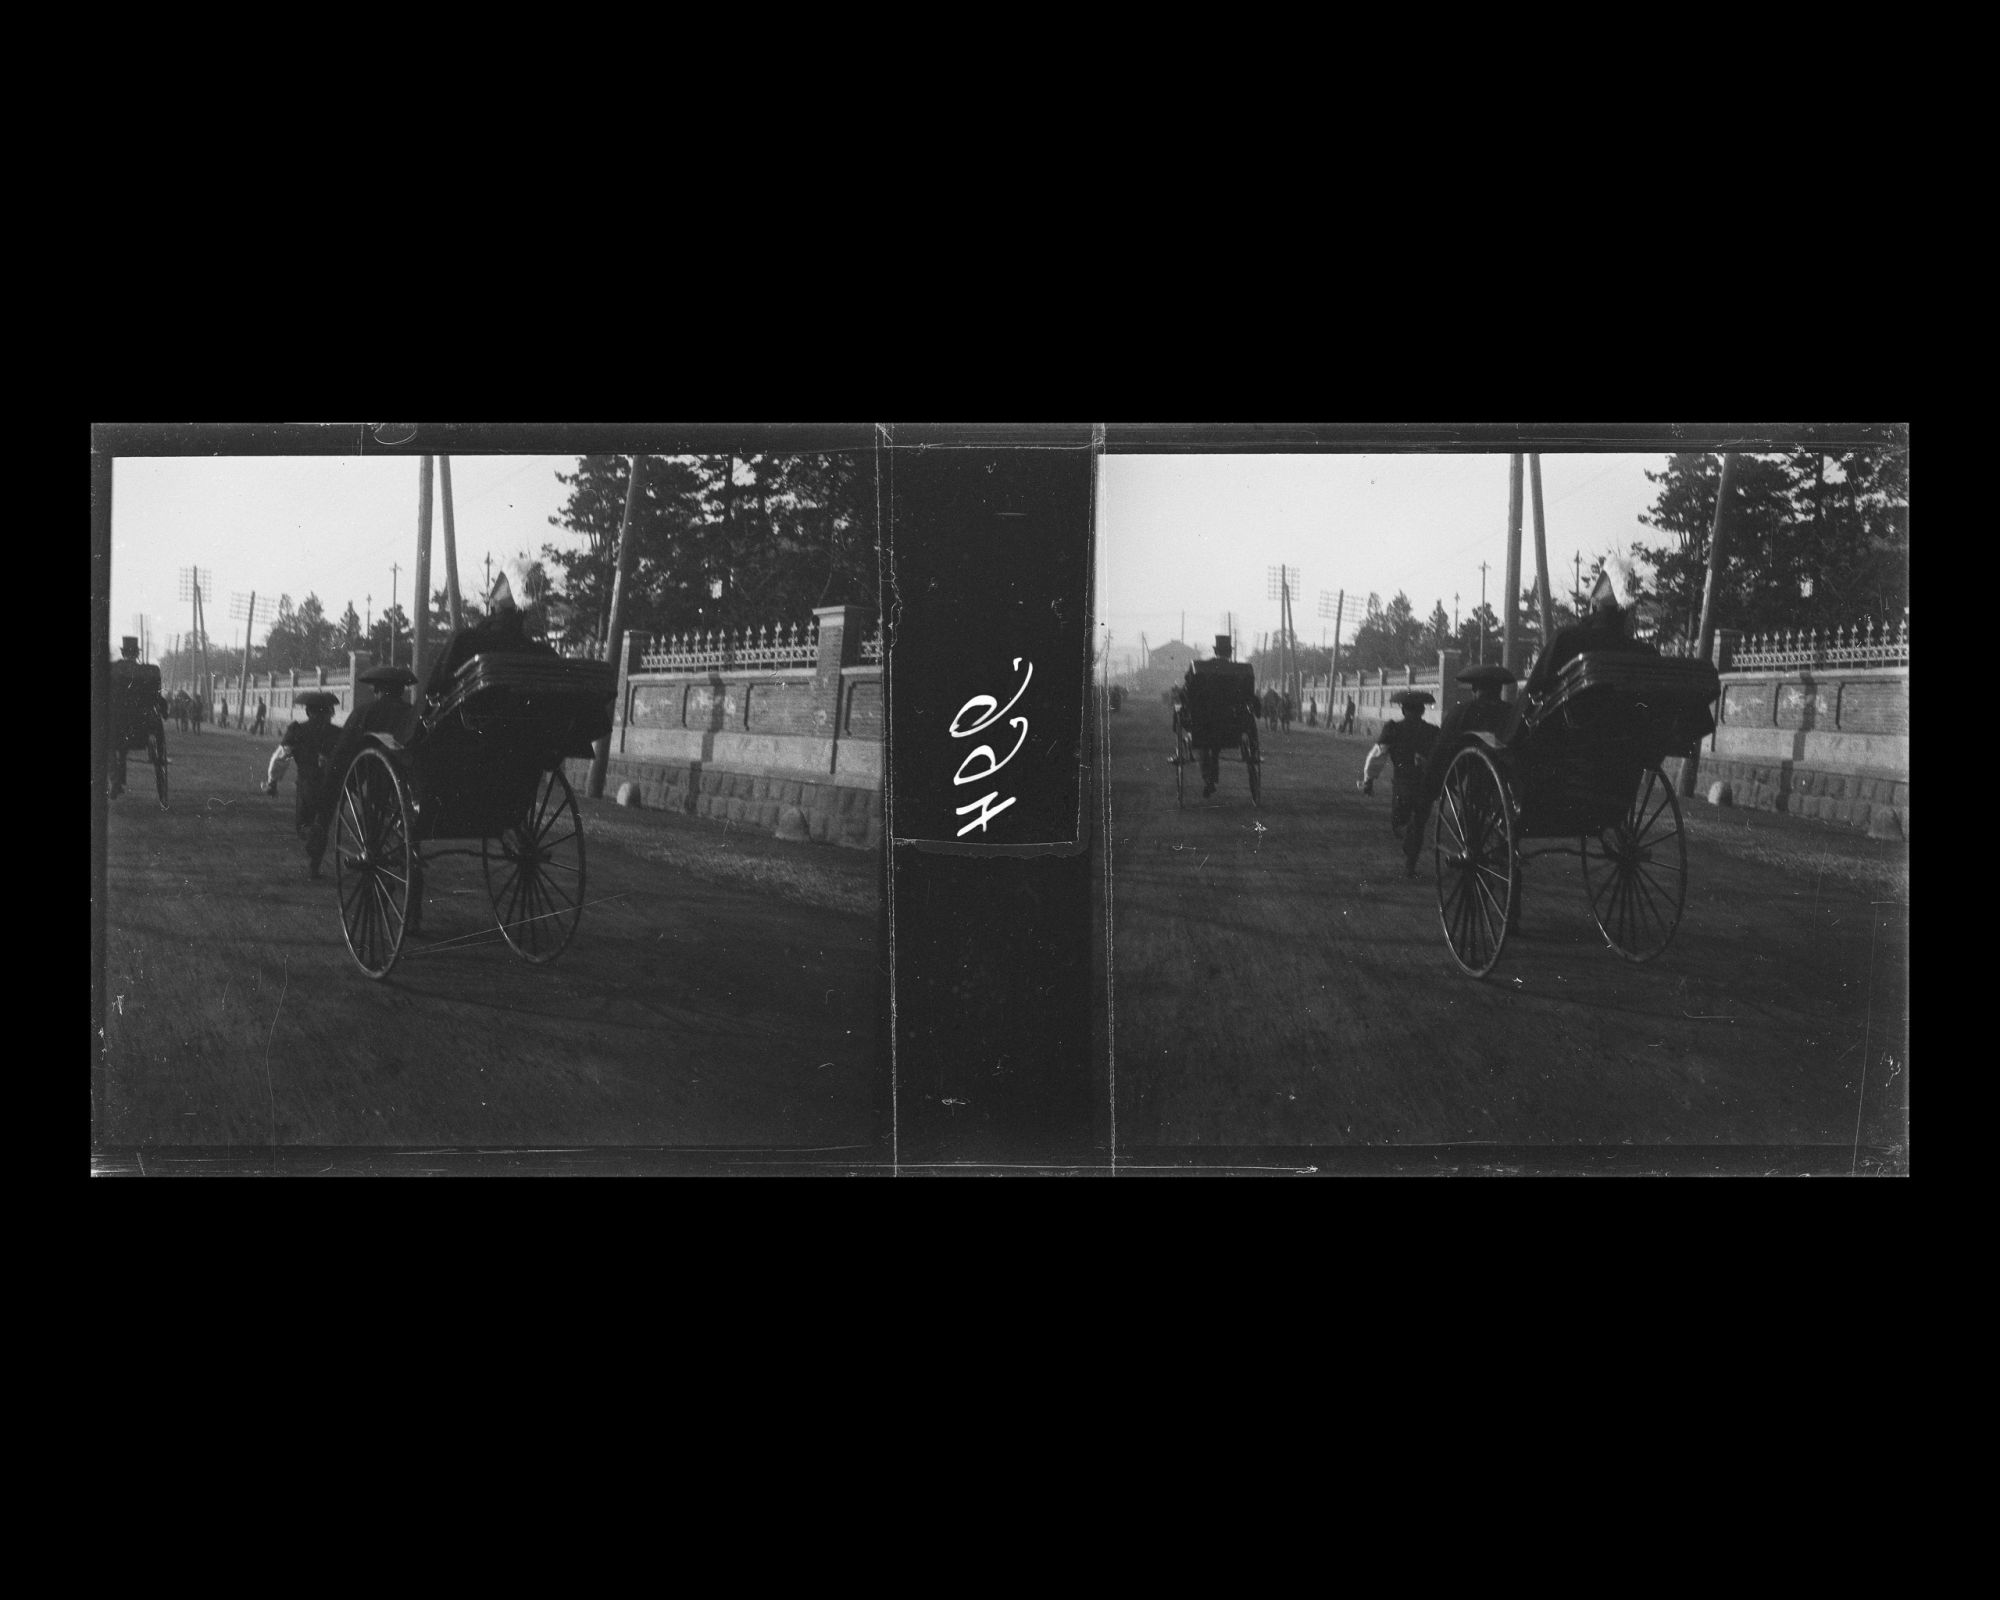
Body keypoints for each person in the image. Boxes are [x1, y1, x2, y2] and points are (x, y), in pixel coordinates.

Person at [1403, 665, 1515, 879]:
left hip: (1473, 775)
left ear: (1474, 689)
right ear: (1499, 690)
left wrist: (1430, 774)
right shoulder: (1511, 712)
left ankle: (1410, 862)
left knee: (1425, 802)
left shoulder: (1463, 711)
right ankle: (1503, 850)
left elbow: (1442, 750)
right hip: (1503, 778)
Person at [1522, 565, 1656, 705]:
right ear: (1626, 613)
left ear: (1594, 606)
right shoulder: (1647, 652)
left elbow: (1534, 689)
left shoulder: (1566, 640)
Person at [266, 692, 342, 866]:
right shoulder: (338, 733)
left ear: (308, 712)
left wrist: (272, 781)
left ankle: (310, 833)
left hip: (307, 785)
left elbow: (281, 758)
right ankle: (315, 867)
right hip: (331, 787)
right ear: (330, 712)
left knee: (303, 826)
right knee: (323, 824)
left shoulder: (298, 730)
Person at [1186, 636, 1261, 797]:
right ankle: (1250, 755)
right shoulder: (1240, 670)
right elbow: (1249, 696)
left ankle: (1209, 780)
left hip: (1206, 722)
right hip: (1232, 723)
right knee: (1214, 748)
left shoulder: (1201, 667)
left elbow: (1189, 692)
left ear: (1215, 651)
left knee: (1205, 748)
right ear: (1229, 652)